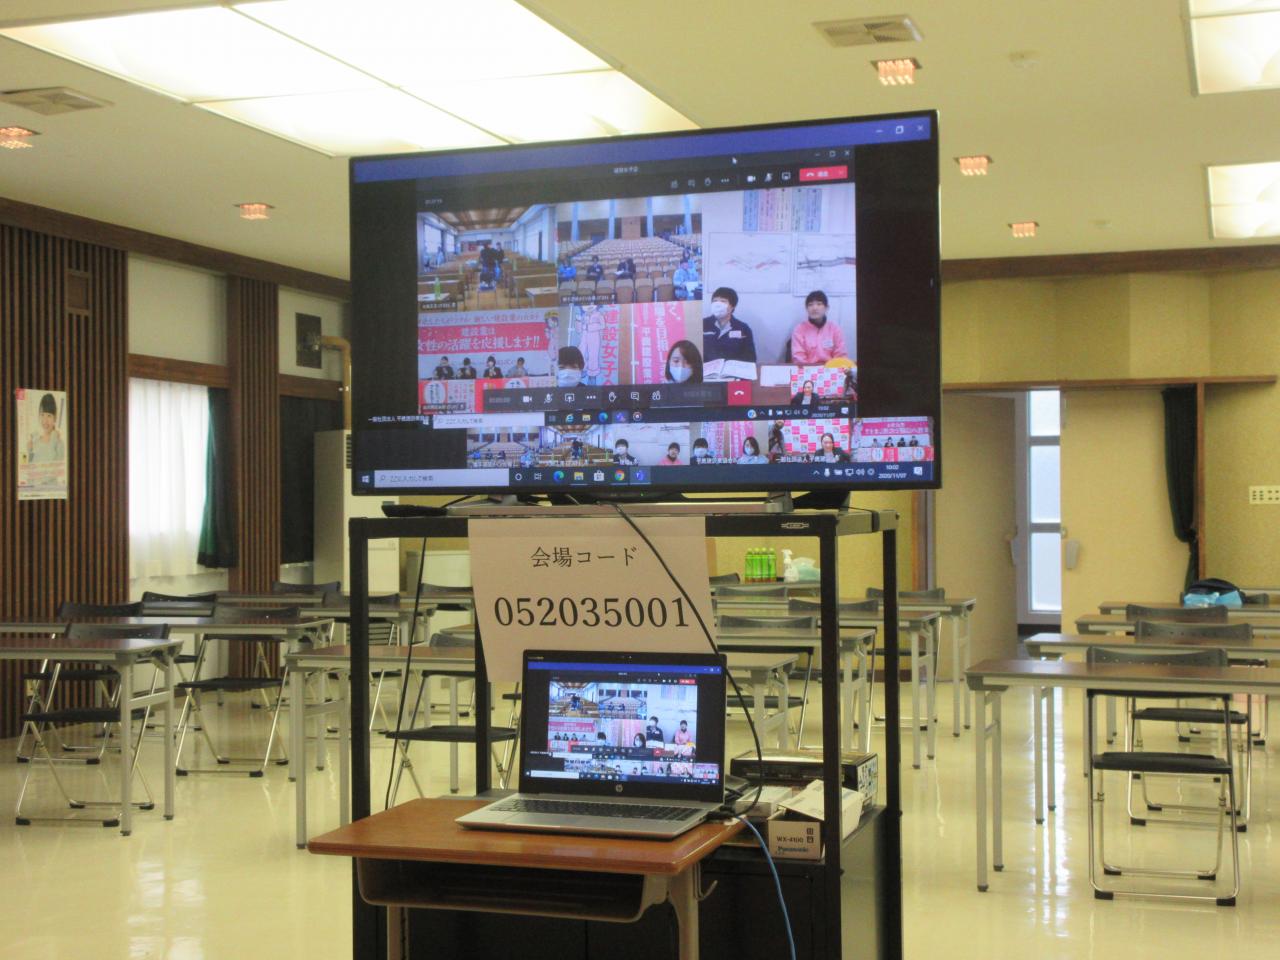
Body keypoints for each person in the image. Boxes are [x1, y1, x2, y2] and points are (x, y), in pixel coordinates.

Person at [790, 290, 848, 365]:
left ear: (826, 308)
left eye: (819, 304)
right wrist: (810, 370)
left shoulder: (835, 329)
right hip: (808, 369)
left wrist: (831, 368)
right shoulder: (799, 330)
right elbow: (799, 358)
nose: (814, 308)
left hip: (830, 368)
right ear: (806, 309)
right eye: (810, 305)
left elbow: (840, 355)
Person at [702, 287, 756, 364]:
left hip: (733, 369)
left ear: (732, 306)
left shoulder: (743, 328)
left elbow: (750, 358)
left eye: (723, 301)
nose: (718, 305)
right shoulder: (702, 324)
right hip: (707, 370)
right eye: (715, 301)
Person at [27, 393, 64, 463]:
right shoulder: (35, 442)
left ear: (55, 418)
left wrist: (54, 439)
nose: (45, 420)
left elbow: (59, 465)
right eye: (42, 415)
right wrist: (30, 451)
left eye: (49, 415)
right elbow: (30, 464)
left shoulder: (59, 443)